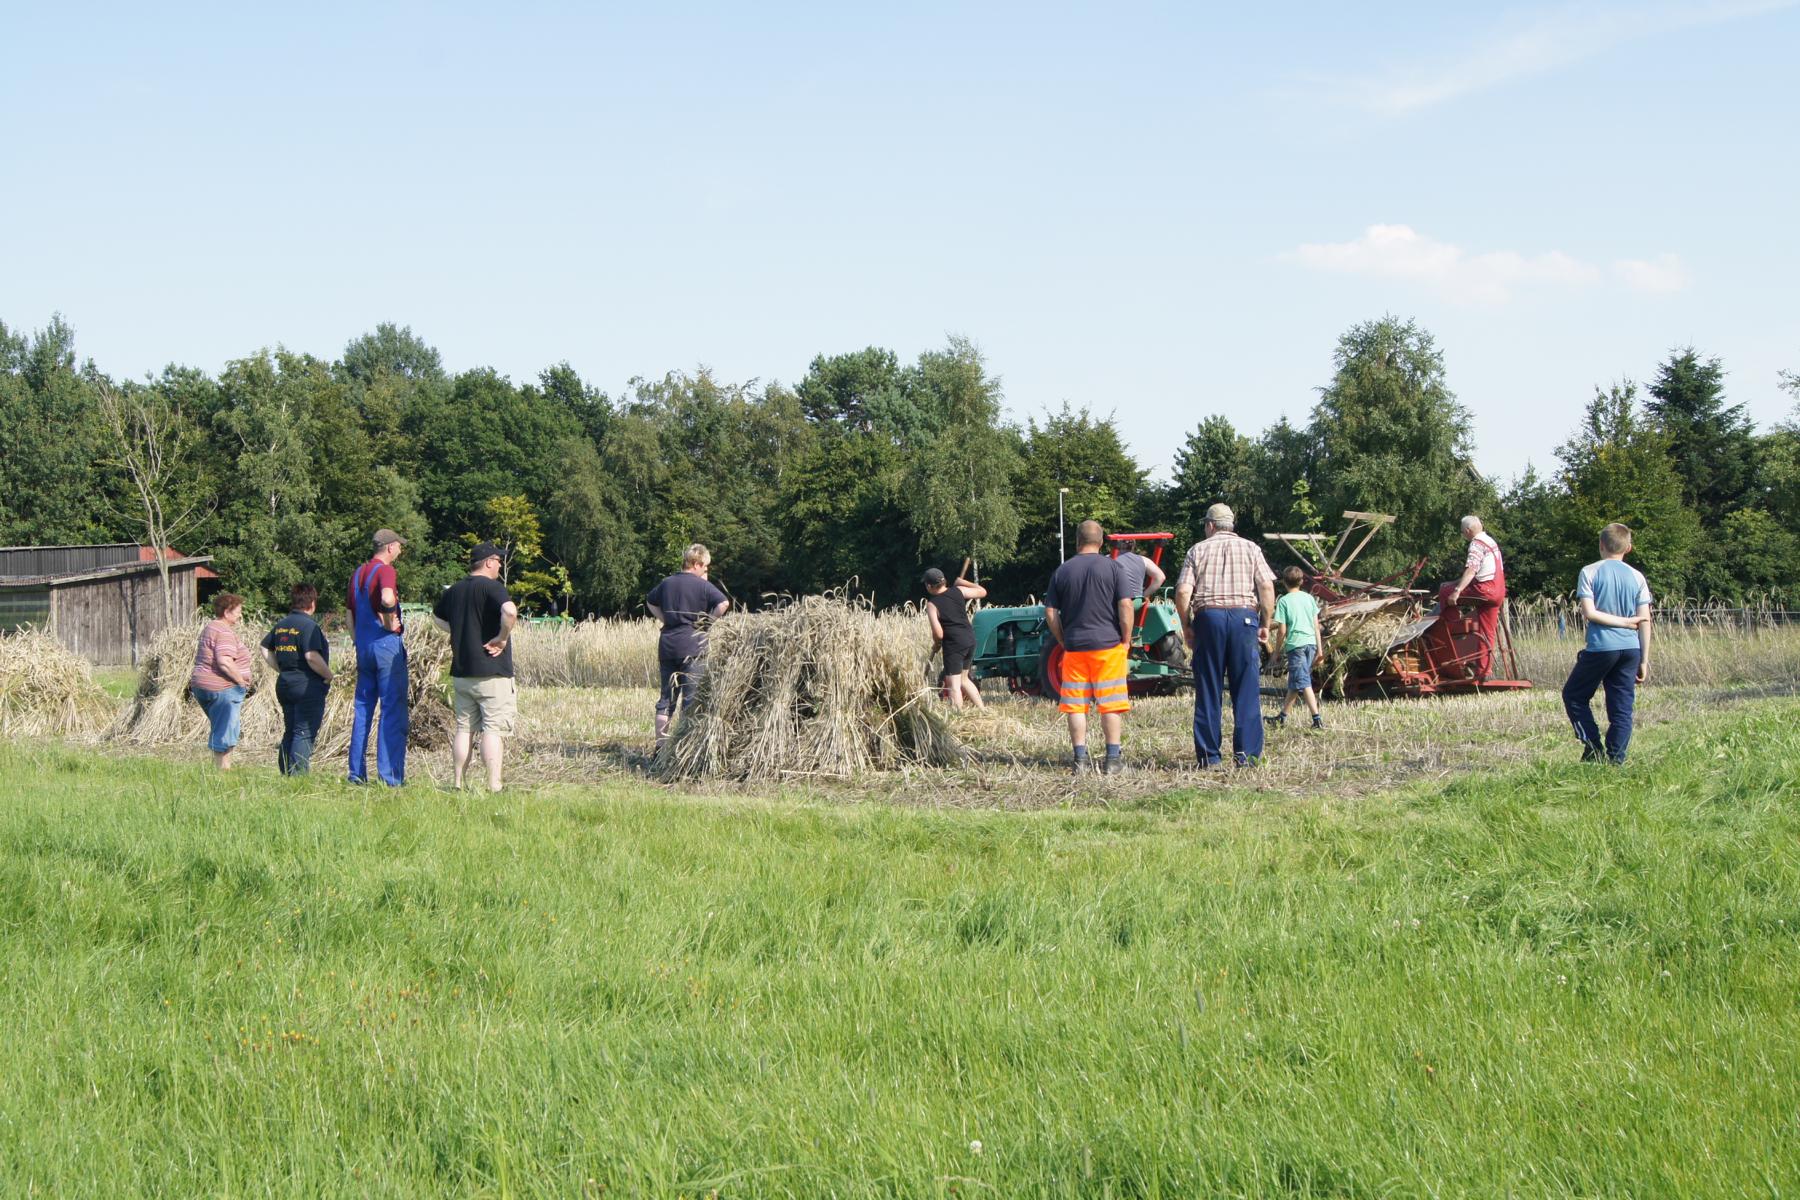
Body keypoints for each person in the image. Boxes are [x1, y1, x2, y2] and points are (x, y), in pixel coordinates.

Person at [1174, 503, 1276, 767]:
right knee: (1247, 689)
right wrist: (1265, 623)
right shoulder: (1251, 548)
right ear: (1231, 525)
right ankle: (1247, 756)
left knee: (1209, 689)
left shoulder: (1197, 550)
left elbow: (1183, 592)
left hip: (1209, 620)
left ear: (1210, 525)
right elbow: (1266, 587)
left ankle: (1210, 757)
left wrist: (1187, 626)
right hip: (1244, 619)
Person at [1044, 519, 1133, 776]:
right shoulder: (1114, 568)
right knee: (1110, 705)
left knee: (1076, 706)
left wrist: (1062, 640)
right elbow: (1125, 605)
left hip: (1075, 648)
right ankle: (1113, 760)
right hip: (1108, 647)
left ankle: (1080, 760)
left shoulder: (1062, 571)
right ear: (1101, 541)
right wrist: (1126, 639)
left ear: (1077, 541)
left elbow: (1050, 612)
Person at [1562, 523, 1653, 764]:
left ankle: (1593, 747)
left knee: (1573, 695)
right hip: (1631, 650)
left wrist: (1622, 623)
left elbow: (1589, 613)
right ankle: (1616, 761)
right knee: (1621, 708)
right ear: (1629, 548)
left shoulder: (1589, 572)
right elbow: (1645, 621)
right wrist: (1644, 659)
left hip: (1601, 647)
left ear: (1601, 545)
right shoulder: (1637, 576)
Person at [433, 542, 520, 791]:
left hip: (462, 672)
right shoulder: (493, 587)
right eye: (499, 561)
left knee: (464, 729)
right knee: (492, 730)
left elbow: (436, 618)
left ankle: (458, 783)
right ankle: (494, 786)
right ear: (489, 562)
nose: (500, 566)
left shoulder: (454, 590)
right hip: (492, 671)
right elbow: (510, 612)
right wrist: (502, 637)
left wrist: (457, 630)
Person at [646, 543, 729, 747]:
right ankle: (683, 749)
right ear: (696, 563)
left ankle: (660, 749)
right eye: (705, 566)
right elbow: (724, 603)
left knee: (666, 700)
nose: (706, 570)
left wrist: (665, 619)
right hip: (693, 647)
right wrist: (707, 623)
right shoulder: (702, 585)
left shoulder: (666, 583)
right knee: (690, 701)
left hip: (668, 646)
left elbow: (650, 602)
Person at [347, 528, 409, 786]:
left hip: (363, 647)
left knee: (363, 709)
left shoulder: (357, 574)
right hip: (385, 646)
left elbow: (349, 616)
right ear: (390, 547)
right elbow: (387, 597)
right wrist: (388, 621)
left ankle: (356, 774)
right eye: (399, 546)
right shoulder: (386, 571)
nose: (400, 550)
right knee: (391, 710)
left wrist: (358, 641)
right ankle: (390, 777)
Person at [261, 583, 333, 775]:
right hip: (306, 686)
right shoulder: (310, 626)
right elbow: (311, 656)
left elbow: (264, 647)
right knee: (303, 732)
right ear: (312, 603)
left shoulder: (282, 625)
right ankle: (298, 777)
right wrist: (328, 675)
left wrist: (281, 668)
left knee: (290, 730)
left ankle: (286, 773)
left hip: (285, 684)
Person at [1430, 515, 1507, 679]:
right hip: (1499, 591)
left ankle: (1452, 629)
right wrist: (1455, 583)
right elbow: (1480, 572)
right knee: (1487, 632)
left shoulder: (1476, 544)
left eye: (1462, 532)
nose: (1463, 535)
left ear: (1467, 530)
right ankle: (1484, 671)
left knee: (1445, 592)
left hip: (1484, 589)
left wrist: (1456, 590)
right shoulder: (1491, 542)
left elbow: (1471, 570)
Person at [190, 592, 254, 770]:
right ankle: (222, 772)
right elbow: (225, 662)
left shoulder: (211, 627)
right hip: (223, 688)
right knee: (226, 729)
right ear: (227, 612)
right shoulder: (224, 631)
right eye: (238, 611)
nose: (240, 615)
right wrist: (241, 681)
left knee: (220, 726)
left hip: (203, 685)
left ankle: (220, 769)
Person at [1266, 566, 1323, 730]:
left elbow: (1282, 631)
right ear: (1302, 581)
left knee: (1303, 682)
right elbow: (1316, 626)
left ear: (1284, 582)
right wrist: (1320, 651)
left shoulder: (1283, 601)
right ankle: (1281, 718)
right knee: (1295, 683)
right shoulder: (1309, 598)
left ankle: (1317, 720)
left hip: (1296, 645)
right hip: (1311, 644)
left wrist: (1276, 652)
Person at [924, 566, 988, 711]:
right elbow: (982, 591)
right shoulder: (958, 590)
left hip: (954, 645)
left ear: (929, 586)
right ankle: (982, 710)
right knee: (964, 679)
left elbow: (939, 634)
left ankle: (957, 716)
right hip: (970, 640)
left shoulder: (932, 605)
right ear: (944, 581)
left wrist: (936, 643)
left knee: (953, 685)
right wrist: (962, 582)